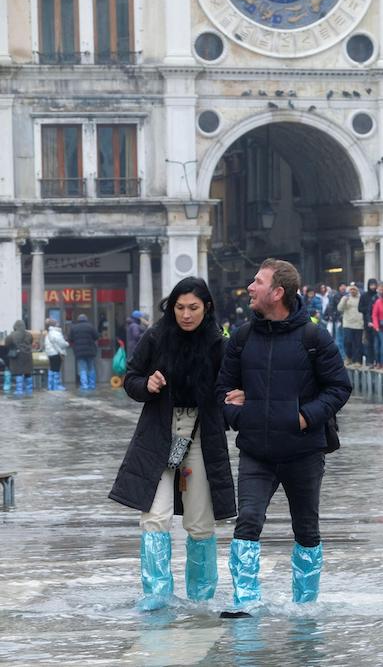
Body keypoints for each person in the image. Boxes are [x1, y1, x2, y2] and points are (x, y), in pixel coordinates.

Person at [216, 258, 352, 611]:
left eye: (257, 282)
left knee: (306, 529)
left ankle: (305, 609)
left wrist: (305, 417)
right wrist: (240, 415)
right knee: (247, 521)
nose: (249, 287)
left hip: (304, 451)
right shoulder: (243, 337)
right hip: (256, 451)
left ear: (277, 292)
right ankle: (245, 604)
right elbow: (221, 390)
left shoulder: (314, 337)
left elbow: (339, 387)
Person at [108, 277, 237, 610]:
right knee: (154, 515)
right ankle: (156, 595)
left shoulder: (218, 342)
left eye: (193, 308)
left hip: (199, 436)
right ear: (171, 307)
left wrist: (234, 401)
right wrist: (146, 384)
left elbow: (230, 387)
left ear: (206, 308)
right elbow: (131, 378)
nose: (186, 315)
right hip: (158, 435)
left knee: (199, 519)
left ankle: (202, 597)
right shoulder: (155, 337)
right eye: (180, 307)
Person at [69, 313, 100, 390]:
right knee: (91, 368)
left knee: (82, 369)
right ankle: (92, 384)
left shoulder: (74, 328)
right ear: (86, 319)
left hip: (79, 352)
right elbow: (96, 336)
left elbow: (70, 338)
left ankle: (84, 385)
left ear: (78, 320)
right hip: (90, 351)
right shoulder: (90, 326)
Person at [4, 320, 34, 396]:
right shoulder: (29, 334)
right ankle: (29, 390)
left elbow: (7, 343)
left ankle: (19, 390)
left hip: (18, 356)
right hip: (28, 356)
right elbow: (31, 342)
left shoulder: (12, 335)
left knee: (19, 373)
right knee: (28, 373)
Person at [338, 284, 364, 366]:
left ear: (357, 290)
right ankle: (348, 357)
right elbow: (339, 308)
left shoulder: (361, 298)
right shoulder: (345, 298)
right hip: (347, 323)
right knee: (347, 342)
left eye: (354, 290)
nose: (353, 291)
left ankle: (358, 360)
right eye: (351, 290)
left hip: (359, 324)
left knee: (358, 343)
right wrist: (344, 301)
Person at [43, 318, 69, 391]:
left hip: (50, 353)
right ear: (54, 325)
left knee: (52, 369)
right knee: (56, 370)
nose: (58, 324)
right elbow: (62, 344)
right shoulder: (56, 333)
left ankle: (50, 385)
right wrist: (67, 343)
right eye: (57, 323)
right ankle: (56, 386)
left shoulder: (48, 333)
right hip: (56, 353)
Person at [358, 279, 379, 367]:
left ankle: (377, 360)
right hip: (367, 322)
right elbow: (359, 308)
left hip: (377, 322)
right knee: (369, 342)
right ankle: (369, 360)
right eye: (371, 285)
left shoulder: (378, 296)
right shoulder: (364, 296)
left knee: (377, 342)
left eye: (374, 285)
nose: (373, 287)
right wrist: (369, 309)